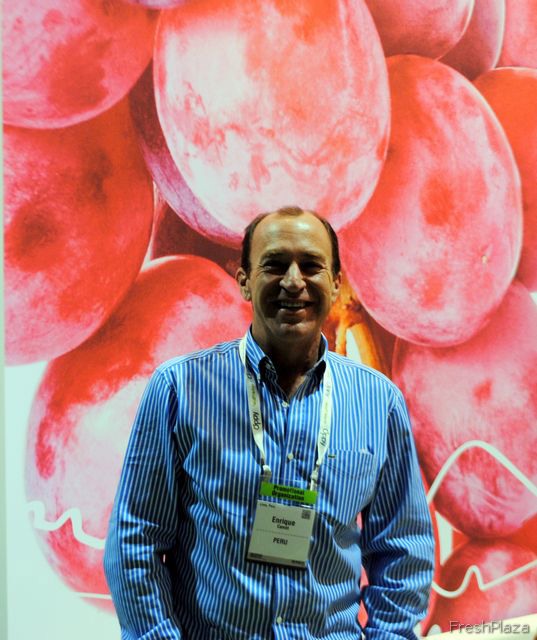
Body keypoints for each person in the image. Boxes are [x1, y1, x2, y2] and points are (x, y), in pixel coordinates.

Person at [104, 206, 435, 639]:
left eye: (311, 266)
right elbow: (135, 540)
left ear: (336, 283)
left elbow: (404, 551)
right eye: (275, 265)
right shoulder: (180, 390)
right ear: (244, 280)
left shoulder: (378, 402)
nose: (294, 281)